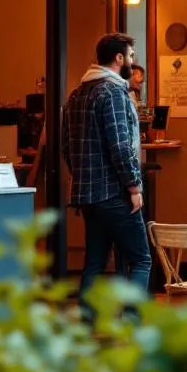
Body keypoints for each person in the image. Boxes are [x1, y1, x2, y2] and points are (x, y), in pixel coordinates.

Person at [63, 33, 149, 322]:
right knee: (140, 259)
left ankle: (85, 325)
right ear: (119, 58)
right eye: (132, 56)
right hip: (115, 191)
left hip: (88, 194)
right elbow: (121, 145)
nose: (134, 62)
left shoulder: (77, 94)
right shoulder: (111, 92)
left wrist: (83, 176)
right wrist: (134, 185)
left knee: (94, 263)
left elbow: (66, 146)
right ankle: (132, 324)